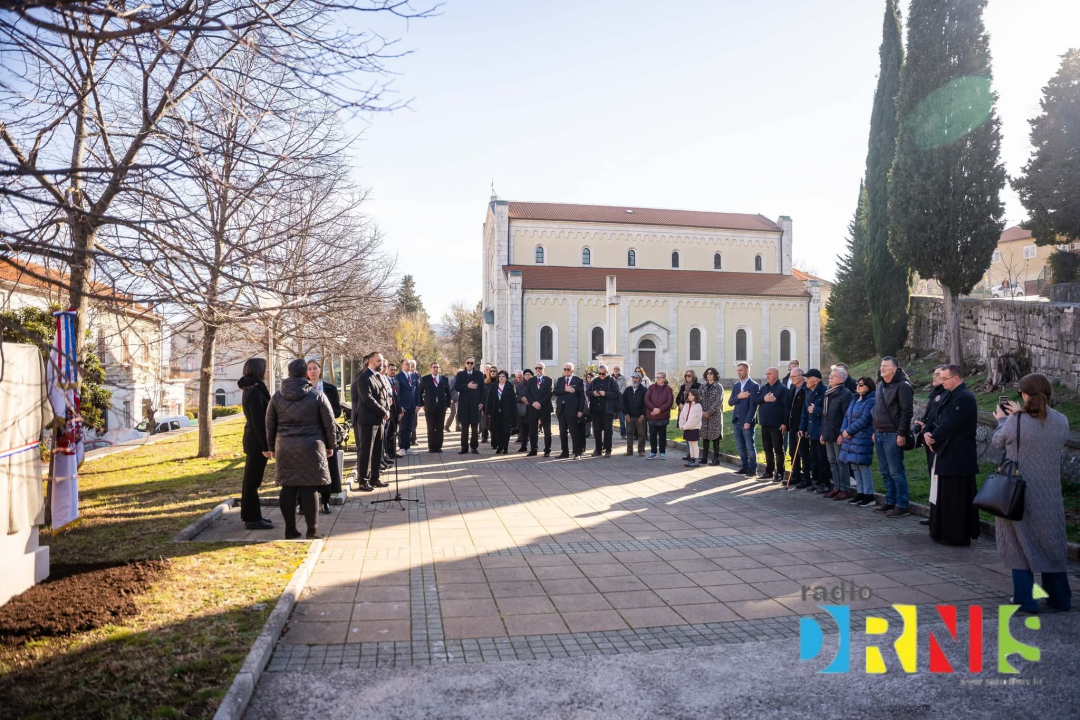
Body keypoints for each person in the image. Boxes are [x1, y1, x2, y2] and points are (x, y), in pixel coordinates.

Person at [992, 373, 1072, 613]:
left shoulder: (1015, 422)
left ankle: (1025, 599)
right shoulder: (1062, 420)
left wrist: (1003, 419)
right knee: (1051, 542)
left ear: (1024, 395)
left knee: (1017, 543)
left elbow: (998, 442)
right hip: (1049, 493)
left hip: (1017, 492)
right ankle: (1059, 597)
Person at [266, 358, 336, 539]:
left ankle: (290, 529)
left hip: (285, 447)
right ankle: (312, 530)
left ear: (288, 374)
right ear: (305, 373)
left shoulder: (276, 397)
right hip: (312, 446)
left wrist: (271, 447)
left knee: (288, 487)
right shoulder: (317, 395)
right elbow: (329, 423)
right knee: (310, 487)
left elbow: (270, 424)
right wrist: (330, 445)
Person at [921, 364, 980, 543]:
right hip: (945, 451)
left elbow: (952, 423)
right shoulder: (948, 395)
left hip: (958, 454)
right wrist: (928, 432)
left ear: (956, 378)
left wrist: (934, 437)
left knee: (956, 497)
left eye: (945, 379)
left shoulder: (965, 397)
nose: (942, 381)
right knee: (944, 494)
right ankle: (942, 531)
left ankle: (955, 535)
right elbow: (936, 417)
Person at [872, 356, 914, 517]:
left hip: (893, 434)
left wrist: (901, 433)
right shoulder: (881, 385)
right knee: (884, 471)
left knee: (896, 471)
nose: (882, 368)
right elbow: (876, 410)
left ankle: (902, 504)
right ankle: (890, 500)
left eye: (886, 366)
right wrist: (874, 430)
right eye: (881, 365)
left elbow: (906, 412)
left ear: (895, 368)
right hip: (880, 433)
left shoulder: (903, 386)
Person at [238, 358, 273, 530]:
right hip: (256, 442)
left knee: (250, 480)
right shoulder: (254, 392)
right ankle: (252, 519)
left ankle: (251, 515)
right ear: (258, 371)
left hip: (254, 440)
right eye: (265, 369)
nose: (267, 372)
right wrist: (266, 447)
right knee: (252, 481)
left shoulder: (254, 389)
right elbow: (259, 422)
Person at [913, 366, 949, 526]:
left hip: (937, 442)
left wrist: (929, 428)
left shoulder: (946, 395)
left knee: (938, 480)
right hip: (928, 439)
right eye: (933, 374)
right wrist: (923, 424)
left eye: (937, 374)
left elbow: (941, 420)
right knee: (933, 479)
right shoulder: (934, 394)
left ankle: (939, 514)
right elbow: (931, 416)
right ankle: (934, 513)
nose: (933, 377)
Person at [307, 360, 343, 514]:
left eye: (315, 368)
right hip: (308, 433)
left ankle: (326, 500)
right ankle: (305, 501)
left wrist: (323, 414)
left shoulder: (330, 388)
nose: (312, 371)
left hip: (326, 432)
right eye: (309, 369)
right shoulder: (304, 389)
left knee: (327, 467)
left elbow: (337, 412)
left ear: (320, 370)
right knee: (309, 468)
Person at [352, 353, 391, 492]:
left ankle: (375, 478)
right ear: (370, 362)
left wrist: (387, 408)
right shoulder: (364, 377)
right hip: (367, 420)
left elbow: (383, 395)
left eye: (382, 360)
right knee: (366, 451)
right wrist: (383, 411)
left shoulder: (378, 376)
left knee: (377, 450)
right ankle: (363, 480)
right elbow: (367, 398)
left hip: (378, 420)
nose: (381, 363)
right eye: (378, 361)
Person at [839, 377, 877, 507]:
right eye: (857, 384)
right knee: (854, 465)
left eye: (861, 385)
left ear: (869, 387)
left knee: (863, 465)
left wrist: (849, 431)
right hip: (850, 437)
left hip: (862, 437)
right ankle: (860, 493)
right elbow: (846, 416)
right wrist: (843, 430)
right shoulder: (855, 399)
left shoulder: (871, 401)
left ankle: (869, 495)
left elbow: (865, 419)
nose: (858, 386)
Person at [821, 368, 853, 499]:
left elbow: (847, 415)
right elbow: (824, 415)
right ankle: (836, 487)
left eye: (834, 376)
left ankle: (845, 488)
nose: (830, 378)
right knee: (832, 462)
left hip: (838, 433)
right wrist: (822, 432)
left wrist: (842, 433)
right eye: (830, 375)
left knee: (841, 462)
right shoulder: (828, 392)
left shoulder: (845, 394)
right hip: (828, 432)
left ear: (842, 378)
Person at [754, 367, 788, 482]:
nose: (767, 376)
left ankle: (780, 473)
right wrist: (764, 398)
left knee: (778, 449)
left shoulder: (782, 389)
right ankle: (769, 471)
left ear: (776, 375)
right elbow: (756, 399)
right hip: (765, 423)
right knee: (767, 448)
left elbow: (786, 407)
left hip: (777, 424)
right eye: (766, 373)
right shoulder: (764, 388)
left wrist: (784, 423)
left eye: (769, 374)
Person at [728, 362, 759, 476]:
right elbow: (730, 402)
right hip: (736, 420)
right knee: (740, 447)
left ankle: (753, 469)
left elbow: (753, 406)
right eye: (737, 370)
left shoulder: (753, 385)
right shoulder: (736, 385)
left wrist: (748, 421)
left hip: (747, 421)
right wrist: (738, 397)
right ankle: (744, 467)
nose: (738, 372)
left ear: (747, 371)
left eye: (740, 370)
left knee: (750, 447)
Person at [799, 369, 827, 492]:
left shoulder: (824, 391)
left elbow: (827, 412)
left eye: (808, 378)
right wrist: (802, 428)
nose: (806, 380)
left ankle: (824, 483)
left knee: (822, 459)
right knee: (813, 458)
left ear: (816, 379)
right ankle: (815, 482)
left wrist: (815, 410)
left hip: (820, 430)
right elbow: (805, 413)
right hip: (811, 430)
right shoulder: (808, 391)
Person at [784, 368, 810, 489]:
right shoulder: (793, 389)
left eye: (794, 377)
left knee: (803, 453)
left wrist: (804, 427)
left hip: (802, 427)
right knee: (793, 452)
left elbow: (805, 410)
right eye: (790, 377)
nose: (792, 379)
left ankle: (806, 478)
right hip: (793, 426)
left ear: (801, 376)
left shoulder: (805, 390)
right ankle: (795, 476)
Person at [553, 362, 586, 458]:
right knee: (562, 433)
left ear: (572, 370)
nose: (566, 371)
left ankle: (577, 452)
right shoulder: (560, 380)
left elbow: (582, 396)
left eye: (568, 369)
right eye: (564, 369)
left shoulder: (578, 380)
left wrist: (580, 410)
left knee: (574, 432)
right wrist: (565, 390)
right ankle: (564, 452)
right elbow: (555, 391)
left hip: (572, 410)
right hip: (561, 410)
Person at [454, 356, 485, 454]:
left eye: (472, 363)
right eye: (468, 363)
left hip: (475, 404)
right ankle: (464, 447)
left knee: (475, 427)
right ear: (465, 363)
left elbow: (482, 390)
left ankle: (474, 447)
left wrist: (481, 402)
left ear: (474, 364)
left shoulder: (479, 374)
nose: (470, 365)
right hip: (464, 405)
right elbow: (457, 387)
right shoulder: (460, 375)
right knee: (464, 427)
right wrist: (467, 386)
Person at [588, 364, 620, 457]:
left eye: (603, 374)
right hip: (596, 410)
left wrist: (605, 393)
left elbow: (616, 394)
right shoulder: (594, 381)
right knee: (597, 431)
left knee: (608, 431)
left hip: (607, 410)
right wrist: (594, 393)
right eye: (599, 373)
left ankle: (608, 450)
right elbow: (588, 392)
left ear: (607, 372)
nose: (601, 375)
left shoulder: (612, 381)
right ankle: (598, 449)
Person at [420, 361, 452, 452]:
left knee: (439, 427)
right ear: (431, 369)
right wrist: (423, 404)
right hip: (430, 407)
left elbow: (448, 393)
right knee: (430, 427)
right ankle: (431, 446)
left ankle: (438, 446)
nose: (435, 369)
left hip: (441, 407)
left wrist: (447, 405)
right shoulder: (425, 379)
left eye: (437, 367)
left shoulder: (444, 379)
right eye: (434, 367)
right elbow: (420, 392)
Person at [524, 361, 553, 456]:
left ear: (544, 369)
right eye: (536, 368)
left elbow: (549, 394)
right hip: (533, 408)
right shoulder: (531, 380)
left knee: (547, 431)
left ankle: (547, 450)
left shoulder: (549, 380)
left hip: (544, 408)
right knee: (533, 430)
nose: (538, 370)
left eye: (540, 368)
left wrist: (540, 403)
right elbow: (527, 393)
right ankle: (533, 450)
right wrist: (533, 403)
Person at [485, 370, 517, 454]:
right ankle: (499, 446)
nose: (501, 378)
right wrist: (488, 411)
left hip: (507, 412)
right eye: (499, 376)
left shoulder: (510, 387)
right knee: (496, 430)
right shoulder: (494, 386)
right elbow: (489, 400)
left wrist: (514, 414)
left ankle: (505, 446)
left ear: (506, 378)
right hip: (495, 412)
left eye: (503, 376)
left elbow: (513, 401)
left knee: (505, 430)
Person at [644, 371, 674, 459]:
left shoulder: (668, 389)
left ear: (664, 379)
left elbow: (669, 402)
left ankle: (662, 453)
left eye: (660, 377)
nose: (657, 379)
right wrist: (653, 409)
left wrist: (660, 410)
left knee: (662, 435)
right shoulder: (651, 387)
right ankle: (653, 452)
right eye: (657, 377)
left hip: (662, 416)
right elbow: (646, 399)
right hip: (652, 415)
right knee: (652, 435)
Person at [699, 367, 724, 466]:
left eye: (711, 373)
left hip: (714, 415)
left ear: (715, 375)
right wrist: (701, 411)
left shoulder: (718, 387)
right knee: (705, 436)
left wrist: (709, 412)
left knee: (715, 437)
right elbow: (698, 399)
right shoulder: (702, 386)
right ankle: (704, 458)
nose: (709, 375)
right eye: (707, 373)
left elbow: (719, 402)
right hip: (703, 415)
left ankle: (715, 459)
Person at [676, 370, 701, 460]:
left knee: (693, 438)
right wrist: (680, 405)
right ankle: (689, 453)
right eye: (686, 375)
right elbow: (678, 399)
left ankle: (694, 456)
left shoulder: (697, 386)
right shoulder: (683, 387)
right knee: (687, 435)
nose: (687, 377)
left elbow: (699, 398)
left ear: (693, 376)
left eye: (689, 376)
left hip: (693, 412)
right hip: (684, 411)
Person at [397, 358, 420, 455]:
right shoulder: (398, 377)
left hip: (412, 406)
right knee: (403, 427)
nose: (409, 366)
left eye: (410, 364)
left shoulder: (414, 376)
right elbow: (397, 393)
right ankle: (402, 447)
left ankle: (408, 447)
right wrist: (400, 406)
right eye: (406, 364)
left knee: (410, 427)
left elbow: (417, 391)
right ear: (402, 365)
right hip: (403, 406)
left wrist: (418, 404)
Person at [622, 372, 648, 456]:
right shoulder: (627, 390)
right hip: (630, 416)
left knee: (641, 434)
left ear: (640, 380)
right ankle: (629, 451)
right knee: (629, 434)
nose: (634, 380)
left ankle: (641, 451)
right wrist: (626, 414)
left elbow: (646, 404)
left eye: (636, 378)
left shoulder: (644, 390)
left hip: (640, 416)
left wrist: (643, 415)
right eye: (633, 378)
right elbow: (623, 403)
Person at [382, 363, 401, 471]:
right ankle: (387, 453)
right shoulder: (385, 380)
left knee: (393, 432)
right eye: (391, 369)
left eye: (394, 369)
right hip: (387, 411)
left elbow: (396, 397)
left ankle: (392, 452)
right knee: (387, 433)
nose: (393, 371)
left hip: (394, 410)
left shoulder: (396, 382)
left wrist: (399, 410)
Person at [679, 387, 703, 467]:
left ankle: (696, 460)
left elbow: (694, 419)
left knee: (694, 444)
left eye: (692, 395)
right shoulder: (686, 405)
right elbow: (682, 416)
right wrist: (681, 425)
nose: (690, 397)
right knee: (690, 443)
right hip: (687, 428)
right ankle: (691, 459)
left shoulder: (697, 406)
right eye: (689, 395)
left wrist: (685, 426)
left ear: (696, 396)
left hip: (694, 428)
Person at [480, 364, 499, 446]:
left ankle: (496, 441)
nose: (492, 372)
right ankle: (486, 437)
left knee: (496, 424)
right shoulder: (486, 383)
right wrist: (483, 407)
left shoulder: (500, 382)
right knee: (487, 424)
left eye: (494, 371)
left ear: (497, 372)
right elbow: (483, 395)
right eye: (490, 371)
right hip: (487, 406)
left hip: (497, 406)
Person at [515, 369, 533, 452]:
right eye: (526, 375)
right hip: (523, 410)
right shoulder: (519, 386)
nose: (527, 376)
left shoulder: (535, 385)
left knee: (532, 430)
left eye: (529, 375)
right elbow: (515, 397)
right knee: (523, 429)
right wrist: (521, 398)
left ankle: (533, 447)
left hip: (532, 409)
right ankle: (523, 446)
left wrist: (528, 399)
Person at [612, 365, 628, 439]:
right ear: (613, 370)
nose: (616, 370)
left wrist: (617, 394)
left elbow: (624, 388)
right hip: (612, 400)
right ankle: (610, 433)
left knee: (622, 419)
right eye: (615, 369)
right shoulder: (610, 378)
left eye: (617, 369)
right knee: (610, 418)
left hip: (620, 400)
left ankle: (623, 434)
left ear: (619, 370)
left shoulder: (623, 378)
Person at [582, 370, 594, 439]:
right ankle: (587, 432)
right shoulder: (584, 385)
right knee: (587, 418)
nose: (589, 378)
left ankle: (595, 433)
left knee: (594, 419)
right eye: (588, 377)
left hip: (593, 403)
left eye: (590, 377)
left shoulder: (594, 384)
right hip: (586, 403)